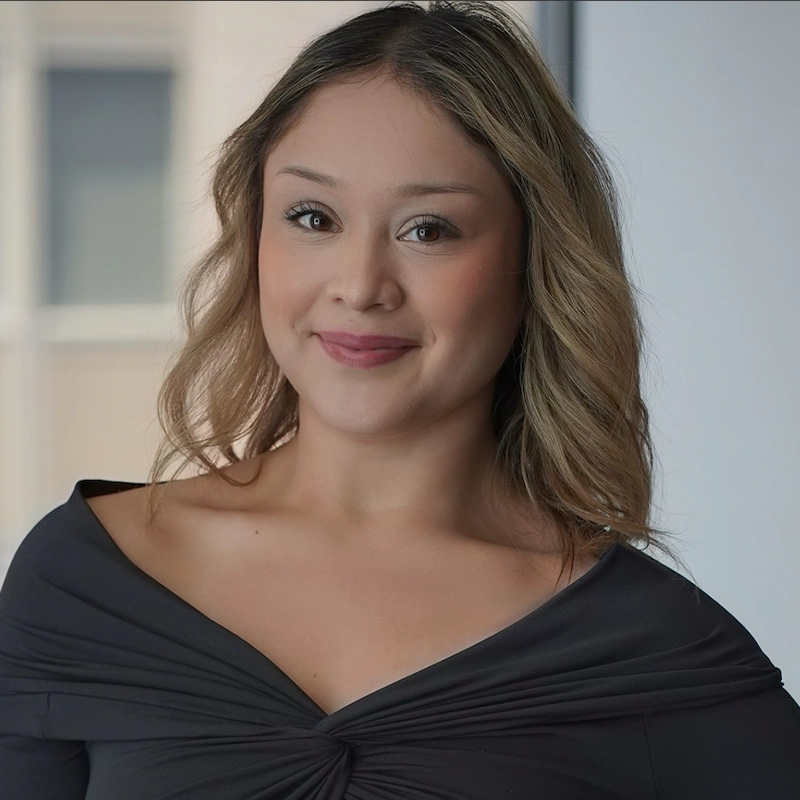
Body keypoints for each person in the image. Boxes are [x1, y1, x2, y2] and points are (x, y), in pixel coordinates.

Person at [1, 1, 799, 797]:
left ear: (535, 265)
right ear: (254, 238)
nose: (359, 286)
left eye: (429, 230)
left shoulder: (641, 645)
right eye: (313, 217)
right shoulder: (86, 581)